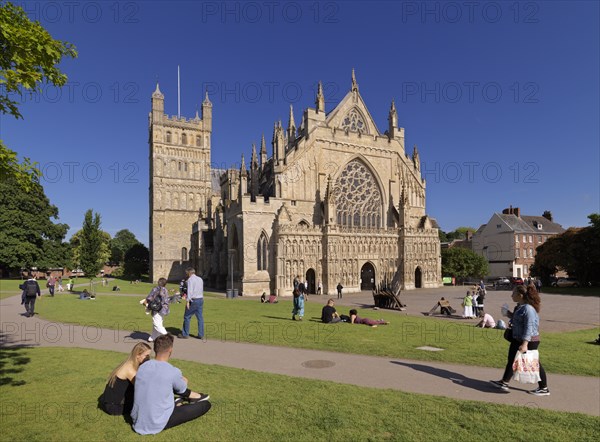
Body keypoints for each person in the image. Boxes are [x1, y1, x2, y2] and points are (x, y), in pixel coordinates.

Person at [131, 334, 211, 435]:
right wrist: (184, 381)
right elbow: (182, 390)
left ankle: (176, 403)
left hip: (137, 419)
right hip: (156, 422)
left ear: (155, 349)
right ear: (170, 350)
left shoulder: (143, 367)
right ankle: (179, 403)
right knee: (205, 405)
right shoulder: (172, 371)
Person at [490, 284, 550, 396]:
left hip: (529, 340)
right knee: (512, 360)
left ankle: (544, 388)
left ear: (520, 295)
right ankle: (504, 382)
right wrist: (508, 314)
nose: (511, 295)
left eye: (513, 293)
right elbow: (519, 321)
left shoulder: (528, 308)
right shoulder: (520, 307)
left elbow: (529, 326)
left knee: (534, 363)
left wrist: (525, 343)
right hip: (518, 338)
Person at [99, 342, 152, 416]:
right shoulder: (129, 369)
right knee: (144, 403)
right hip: (114, 407)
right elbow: (143, 387)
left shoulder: (130, 362)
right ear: (137, 355)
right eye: (146, 356)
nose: (148, 358)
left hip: (109, 401)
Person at [178, 267, 205, 340]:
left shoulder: (190, 280)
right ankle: (201, 334)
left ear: (189, 273)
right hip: (200, 299)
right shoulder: (200, 279)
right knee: (200, 318)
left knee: (187, 316)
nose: (186, 275)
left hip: (193, 300)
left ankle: (185, 334)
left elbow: (190, 291)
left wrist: (187, 301)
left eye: (186, 273)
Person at [142, 278, 170, 342]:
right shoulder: (165, 290)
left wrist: (145, 302)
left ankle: (167, 335)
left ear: (159, 282)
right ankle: (153, 337)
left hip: (157, 308)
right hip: (164, 309)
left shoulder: (156, 289)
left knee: (156, 323)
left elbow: (150, 297)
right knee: (158, 322)